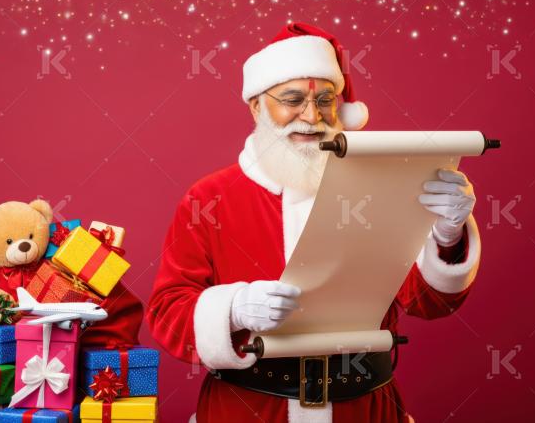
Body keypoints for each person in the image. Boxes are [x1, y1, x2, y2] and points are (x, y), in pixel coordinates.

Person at [147, 22, 481, 423]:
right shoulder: (208, 198)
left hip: (364, 408)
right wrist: (234, 309)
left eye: (325, 100)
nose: (310, 116)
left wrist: (447, 236)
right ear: (256, 105)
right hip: (248, 410)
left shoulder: (380, 184)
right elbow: (166, 314)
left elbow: (428, 302)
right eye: (291, 99)